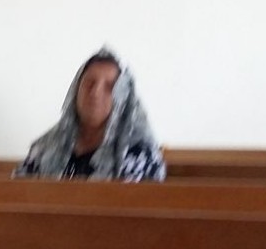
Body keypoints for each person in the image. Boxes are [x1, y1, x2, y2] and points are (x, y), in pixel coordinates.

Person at [15, 48, 166, 181]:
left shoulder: (140, 154)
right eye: (89, 83)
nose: (95, 93)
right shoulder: (45, 147)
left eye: (110, 87)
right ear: (75, 90)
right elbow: (19, 193)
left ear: (124, 98)